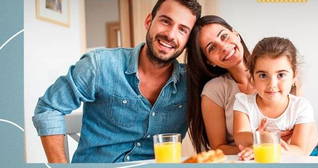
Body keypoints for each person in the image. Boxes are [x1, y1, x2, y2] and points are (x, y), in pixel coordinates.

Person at [32, 0, 201, 163]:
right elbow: (49, 108)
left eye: (182, 30)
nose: (171, 34)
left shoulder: (192, 82)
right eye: (165, 21)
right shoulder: (99, 65)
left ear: (188, 41)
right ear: (149, 21)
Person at [233, 37, 318, 160]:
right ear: (252, 77)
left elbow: (300, 149)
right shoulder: (243, 102)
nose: (272, 84)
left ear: (294, 76)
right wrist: (262, 138)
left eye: (281, 75)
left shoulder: (301, 106)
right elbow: (239, 137)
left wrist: (266, 145)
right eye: (263, 75)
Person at [186, 15, 255, 154]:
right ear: (209, 61)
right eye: (212, 48)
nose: (223, 47)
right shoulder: (214, 90)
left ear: (235, 33)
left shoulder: (278, 72)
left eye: (224, 36)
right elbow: (219, 148)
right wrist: (255, 151)